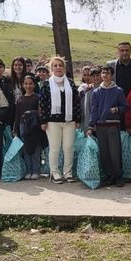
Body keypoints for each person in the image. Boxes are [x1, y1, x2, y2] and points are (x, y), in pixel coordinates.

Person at [39, 56, 82, 184]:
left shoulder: (71, 83)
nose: (58, 68)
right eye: (55, 66)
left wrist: (77, 119)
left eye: (60, 65)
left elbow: (76, 102)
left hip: (69, 121)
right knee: (55, 148)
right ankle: (54, 173)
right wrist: (43, 121)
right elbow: (42, 104)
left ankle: (68, 173)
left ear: (64, 68)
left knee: (68, 147)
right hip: (52, 122)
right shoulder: (46, 84)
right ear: (51, 68)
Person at [88, 65, 128, 187]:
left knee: (114, 152)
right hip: (100, 126)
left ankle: (118, 176)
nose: (105, 75)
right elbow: (94, 109)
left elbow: (125, 107)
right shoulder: (96, 92)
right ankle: (108, 176)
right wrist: (91, 126)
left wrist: (117, 109)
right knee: (104, 152)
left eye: (107, 73)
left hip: (113, 125)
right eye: (103, 73)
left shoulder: (118, 91)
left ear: (112, 75)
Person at [16, 75, 43, 180]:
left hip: (34, 126)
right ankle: (28, 170)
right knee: (26, 148)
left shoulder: (38, 97)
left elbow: (41, 112)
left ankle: (36, 170)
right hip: (23, 126)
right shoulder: (20, 99)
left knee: (35, 147)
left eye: (30, 83)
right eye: (26, 83)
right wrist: (15, 129)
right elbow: (17, 115)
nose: (28, 86)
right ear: (22, 85)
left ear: (34, 84)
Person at [80, 67, 101, 135]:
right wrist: (89, 126)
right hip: (92, 126)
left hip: (104, 124)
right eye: (93, 76)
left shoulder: (106, 88)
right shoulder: (88, 91)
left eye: (98, 76)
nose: (96, 78)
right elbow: (87, 109)